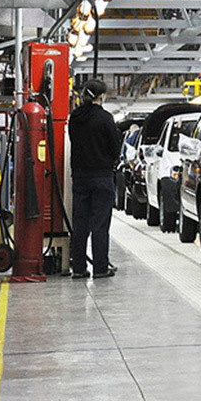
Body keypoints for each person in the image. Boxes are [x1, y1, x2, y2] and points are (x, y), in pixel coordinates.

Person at [69, 79, 122, 278]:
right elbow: (115, 148)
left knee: (80, 223)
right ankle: (100, 268)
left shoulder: (74, 118)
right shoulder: (105, 118)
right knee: (100, 224)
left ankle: (78, 268)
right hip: (101, 177)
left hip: (80, 177)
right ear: (101, 96)